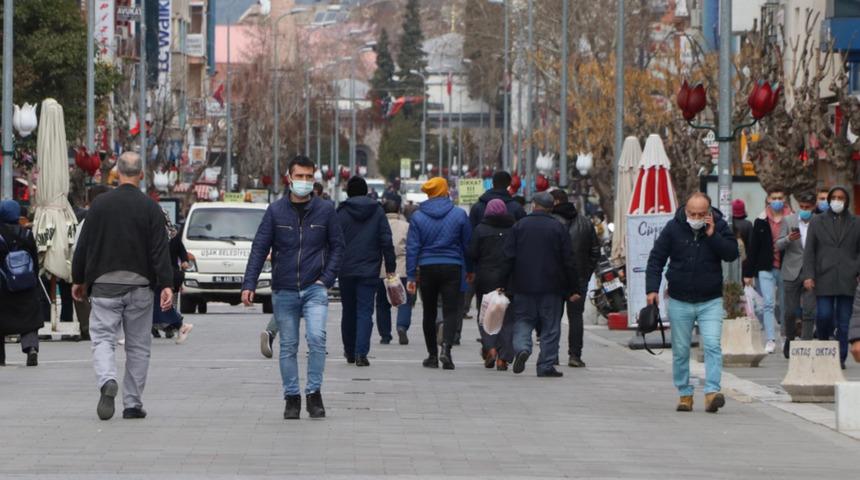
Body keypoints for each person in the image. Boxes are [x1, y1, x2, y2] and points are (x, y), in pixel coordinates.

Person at [71, 152, 174, 421]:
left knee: (103, 338)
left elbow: (84, 245)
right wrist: (166, 284)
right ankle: (132, 404)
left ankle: (107, 380)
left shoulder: (100, 205)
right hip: (140, 284)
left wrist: (78, 278)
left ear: (117, 172)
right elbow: (159, 249)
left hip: (104, 284)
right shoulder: (150, 207)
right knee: (138, 346)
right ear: (141, 174)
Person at [242, 155, 344, 419]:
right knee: (288, 345)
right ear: (289, 178)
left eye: (309, 177)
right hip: (284, 289)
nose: (304, 181)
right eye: (299, 176)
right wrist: (249, 283)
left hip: (315, 288)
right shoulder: (275, 212)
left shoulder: (325, 210)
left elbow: (338, 247)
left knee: (317, 339)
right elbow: (259, 248)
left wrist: (326, 279)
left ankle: (313, 394)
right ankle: (291, 398)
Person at [646, 192, 738, 413]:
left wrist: (713, 234)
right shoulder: (673, 228)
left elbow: (732, 254)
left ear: (708, 213)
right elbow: (656, 258)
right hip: (680, 299)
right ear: (685, 210)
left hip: (711, 299)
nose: (696, 217)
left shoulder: (720, 226)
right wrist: (651, 289)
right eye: (692, 213)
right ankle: (685, 394)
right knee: (680, 349)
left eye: (701, 214)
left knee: (713, 345)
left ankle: (712, 392)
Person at [506, 192, 578, 377]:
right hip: (552, 286)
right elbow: (568, 260)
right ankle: (546, 365)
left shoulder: (519, 226)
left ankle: (522, 348)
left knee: (523, 320)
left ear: (533, 205)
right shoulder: (558, 227)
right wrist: (573, 288)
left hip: (523, 285)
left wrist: (505, 284)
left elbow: (508, 257)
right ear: (550, 207)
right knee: (550, 326)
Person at [406, 177, 471, 370]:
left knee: (429, 311)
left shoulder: (417, 217)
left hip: (427, 268)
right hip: (452, 266)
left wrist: (410, 275)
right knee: (451, 310)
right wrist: (470, 270)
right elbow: (467, 245)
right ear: (445, 191)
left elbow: (412, 248)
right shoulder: (459, 214)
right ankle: (447, 351)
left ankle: (432, 355)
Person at [337, 176, 396, 366]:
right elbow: (386, 240)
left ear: (348, 192)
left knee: (348, 311)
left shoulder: (341, 212)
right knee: (364, 311)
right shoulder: (377, 211)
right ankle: (361, 353)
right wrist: (390, 267)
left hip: (345, 270)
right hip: (369, 270)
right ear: (366, 191)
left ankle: (349, 351)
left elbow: (333, 242)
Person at [802, 186, 860, 370]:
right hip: (824, 276)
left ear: (847, 200)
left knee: (844, 320)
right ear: (828, 200)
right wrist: (809, 275)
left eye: (841, 197)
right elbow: (809, 251)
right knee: (824, 315)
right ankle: (824, 344)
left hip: (847, 277)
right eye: (834, 197)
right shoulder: (817, 221)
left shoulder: (856, 222)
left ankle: (840, 357)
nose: (837, 200)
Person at [551, 189, 600, 368]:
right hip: (578, 280)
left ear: (556, 202)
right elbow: (595, 251)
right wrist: (585, 274)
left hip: (554, 279)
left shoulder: (551, 222)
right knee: (575, 317)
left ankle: (552, 354)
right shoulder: (585, 223)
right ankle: (575, 355)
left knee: (553, 317)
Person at [467, 198, 515, 370]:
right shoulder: (513, 228)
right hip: (508, 278)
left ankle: (491, 348)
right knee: (507, 318)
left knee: (486, 314)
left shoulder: (480, 229)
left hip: (485, 277)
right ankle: (504, 357)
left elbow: (472, 253)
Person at [745, 186, 792, 353]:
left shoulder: (792, 219)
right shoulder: (760, 220)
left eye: (780, 197)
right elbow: (753, 248)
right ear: (768, 200)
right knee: (768, 304)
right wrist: (748, 273)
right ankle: (770, 339)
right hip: (765, 267)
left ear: (785, 200)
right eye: (774, 198)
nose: (777, 201)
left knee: (786, 305)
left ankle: (786, 336)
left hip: (787, 267)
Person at [0, 200, 42, 367]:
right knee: (29, 318)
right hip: (26, 285)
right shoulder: (26, 234)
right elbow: (35, 260)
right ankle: (31, 347)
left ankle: (1, 358)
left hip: (3, 287)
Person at [775, 192, 817, 358]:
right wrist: (788, 239)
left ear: (813, 207)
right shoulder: (789, 220)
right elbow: (778, 244)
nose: (804, 210)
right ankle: (790, 339)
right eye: (802, 207)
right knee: (790, 311)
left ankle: (806, 343)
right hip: (791, 271)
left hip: (810, 272)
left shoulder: (818, 222)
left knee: (808, 310)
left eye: (807, 208)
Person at [73, 184, 111, 341]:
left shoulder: (86, 222)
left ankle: (88, 328)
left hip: (93, 271)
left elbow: (78, 249)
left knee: (82, 297)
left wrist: (77, 278)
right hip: (116, 272)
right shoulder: (117, 219)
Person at [151, 212, 194, 344]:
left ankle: (179, 326)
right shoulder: (166, 233)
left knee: (157, 304)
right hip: (161, 274)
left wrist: (185, 261)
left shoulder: (165, 235)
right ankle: (180, 326)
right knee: (155, 305)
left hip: (163, 274)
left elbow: (180, 251)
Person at [376, 200, 413, 345]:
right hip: (402, 268)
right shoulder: (406, 226)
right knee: (404, 301)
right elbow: (412, 247)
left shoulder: (378, 226)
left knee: (382, 304)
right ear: (399, 211)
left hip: (382, 270)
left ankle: (385, 335)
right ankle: (402, 326)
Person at [731, 199, 753, 274]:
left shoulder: (728, 224)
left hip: (729, 259)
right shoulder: (748, 224)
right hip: (744, 260)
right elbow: (751, 245)